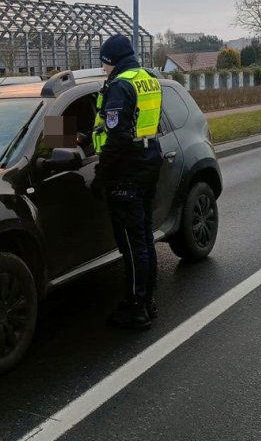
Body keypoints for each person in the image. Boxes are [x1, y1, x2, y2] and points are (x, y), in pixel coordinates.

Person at [90, 34, 163, 330]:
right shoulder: (147, 78)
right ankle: (147, 301)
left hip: (126, 168)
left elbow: (117, 136)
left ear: (113, 60)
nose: (103, 68)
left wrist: (101, 174)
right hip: (147, 160)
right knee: (144, 236)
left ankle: (136, 309)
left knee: (133, 245)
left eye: (104, 63)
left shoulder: (120, 84)